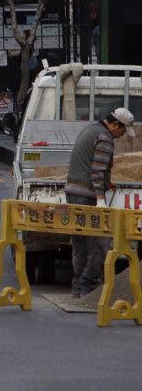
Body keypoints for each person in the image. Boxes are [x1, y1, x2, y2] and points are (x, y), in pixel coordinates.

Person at [64, 107, 135, 298]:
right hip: (86, 196)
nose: (121, 136)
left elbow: (90, 165)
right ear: (115, 124)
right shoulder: (104, 137)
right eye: (122, 130)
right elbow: (96, 171)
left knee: (80, 244)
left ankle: (78, 287)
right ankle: (90, 287)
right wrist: (100, 199)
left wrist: (106, 182)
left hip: (73, 192)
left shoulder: (90, 130)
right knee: (99, 243)